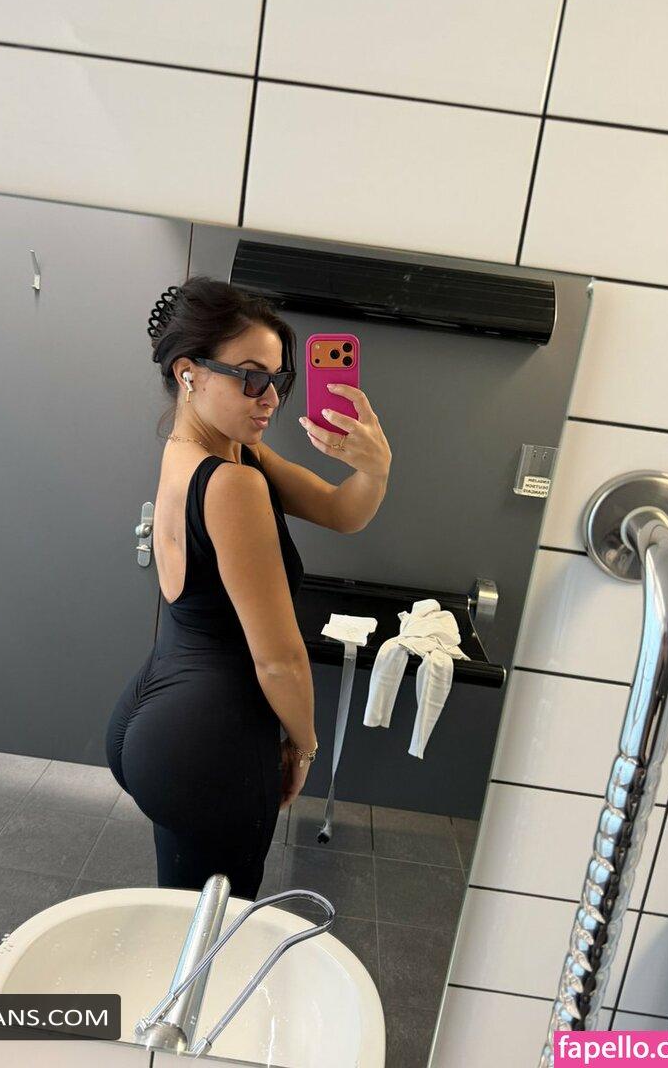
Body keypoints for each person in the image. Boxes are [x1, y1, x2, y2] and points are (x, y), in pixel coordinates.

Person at [105, 276, 392, 899]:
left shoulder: (198, 451)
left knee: (182, 916)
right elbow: (279, 659)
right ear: (188, 373)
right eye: (251, 378)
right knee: (216, 935)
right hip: (210, 743)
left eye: (280, 380)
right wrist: (304, 747)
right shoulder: (233, 483)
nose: (271, 399)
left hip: (161, 716)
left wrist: (376, 468)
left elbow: (342, 511)